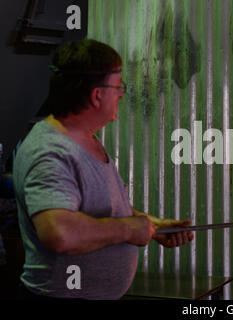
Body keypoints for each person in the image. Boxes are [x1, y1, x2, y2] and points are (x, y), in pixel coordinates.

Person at [12, 39, 194, 300]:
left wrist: (154, 226)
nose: (121, 94)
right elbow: (59, 233)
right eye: (118, 87)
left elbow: (102, 208)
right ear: (97, 95)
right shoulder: (51, 151)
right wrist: (131, 230)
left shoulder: (85, 138)